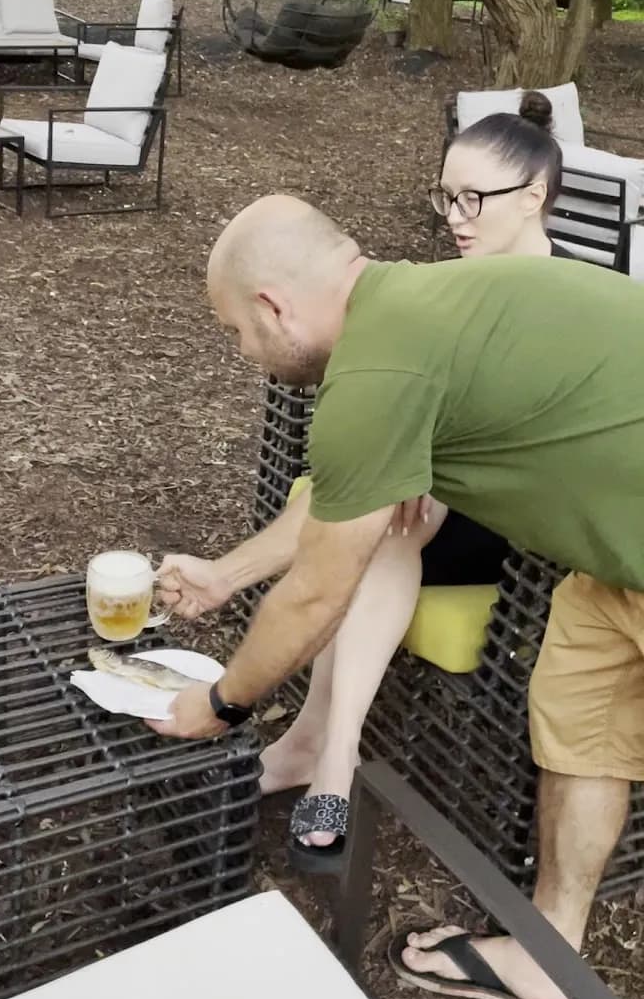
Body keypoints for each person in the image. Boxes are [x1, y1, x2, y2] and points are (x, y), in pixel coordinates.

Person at [145, 184, 644, 999]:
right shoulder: (415, 312)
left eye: (236, 331)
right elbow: (341, 499)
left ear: (274, 305)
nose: (244, 353)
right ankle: (548, 957)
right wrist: (227, 575)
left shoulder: (379, 369)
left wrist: (222, 704)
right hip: (616, 567)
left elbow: (316, 593)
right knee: (582, 727)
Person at [159, 91, 581, 877]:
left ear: (533, 198)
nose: (455, 217)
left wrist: (416, 464)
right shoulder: (443, 290)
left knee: (384, 523)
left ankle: (329, 757)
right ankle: (311, 746)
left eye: (474, 199)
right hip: (432, 507)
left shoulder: (563, 299)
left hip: (527, 530)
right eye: (446, 196)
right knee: (384, 518)